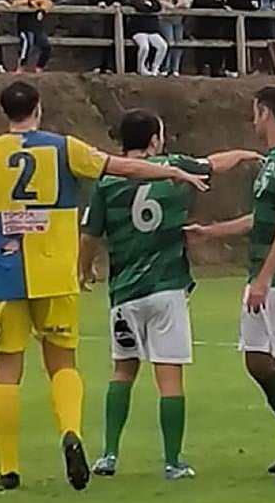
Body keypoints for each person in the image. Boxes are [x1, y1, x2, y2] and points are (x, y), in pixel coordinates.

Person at [0, 81, 209, 492]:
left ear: (4, 112)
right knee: (62, 364)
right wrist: (171, 170)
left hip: (6, 274)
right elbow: (126, 167)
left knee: (6, 371)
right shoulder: (65, 148)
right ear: (39, 109)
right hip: (56, 273)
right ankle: (71, 433)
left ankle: (8, 469)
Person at [79, 109, 262, 480]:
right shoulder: (174, 167)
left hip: (125, 291)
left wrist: (83, 269)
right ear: (155, 141)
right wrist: (243, 154)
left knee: (122, 371)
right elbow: (213, 164)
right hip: (167, 288)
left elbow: (89, 235)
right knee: (170, 378)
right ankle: (172, 461)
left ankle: (109, 455)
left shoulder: (108, 179)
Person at [186, 86, 275, 487]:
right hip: (265, 275)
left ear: (265, 112)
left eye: (254, 113)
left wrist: (265, 277)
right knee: (257, 360)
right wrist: (211, 232)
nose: (252, 121)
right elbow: (262, 218)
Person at [156, 0, 193, 76]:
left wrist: (182, 4)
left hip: (179, 17)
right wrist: (170, 6)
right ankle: (165, 67)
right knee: (169, 42)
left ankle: (175, 68)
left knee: (178, 43)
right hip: (166, 17)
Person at [85, 0, 120, 73]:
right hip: (97, 11)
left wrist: (117, 1)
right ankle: (97, 65)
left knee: (111, 37)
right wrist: (98, 1)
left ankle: (108, 65)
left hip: (111, 12)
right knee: (98, 37)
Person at [124, 0, 168, 76]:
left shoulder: (154, 3)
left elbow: (157, 7)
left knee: (163, 46)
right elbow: (141, 8)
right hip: (138, 31)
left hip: (152, 31)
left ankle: (155, 67)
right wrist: (147, 6)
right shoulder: (134, 1)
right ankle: (141, 67)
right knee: (144, 47)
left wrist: (149, 5)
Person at [11, 0, 54, 74]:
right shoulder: (20, 1)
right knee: (27, 44)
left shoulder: (41, 2)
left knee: (46, 46)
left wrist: (42, 10)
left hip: (37, 29)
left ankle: (40, 66)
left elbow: (48, 3)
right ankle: (21, 66)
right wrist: (29, 2)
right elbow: (14, 4)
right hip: (25, 29)